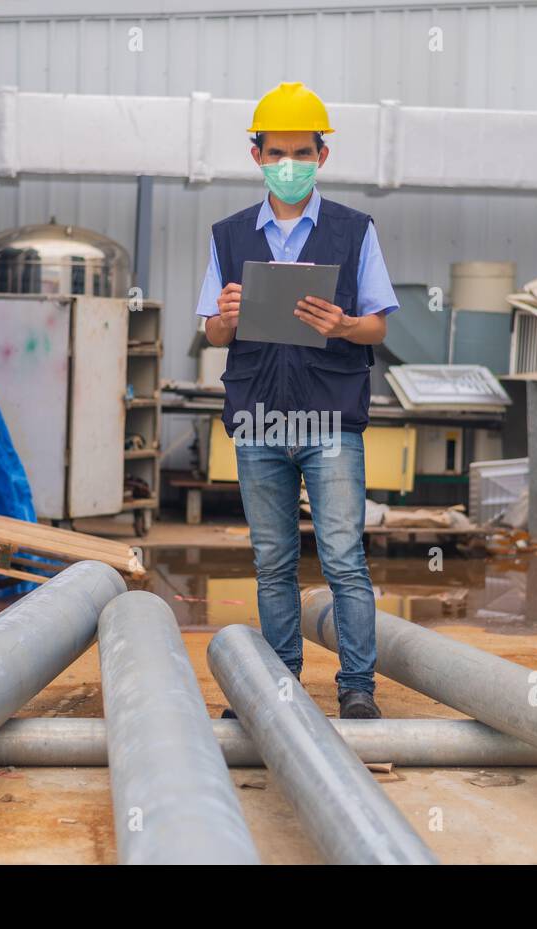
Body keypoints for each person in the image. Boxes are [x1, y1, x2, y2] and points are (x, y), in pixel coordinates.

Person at [196, 81, 399, 718]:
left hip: (330, 418)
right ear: (255, 155)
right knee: (272, 560)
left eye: (301, 153)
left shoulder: (353, 231)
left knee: (343, 558)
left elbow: (378, 326)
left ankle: (357, 689)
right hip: (258, 418)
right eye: (276, 153)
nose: (289, 165)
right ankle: (281, 685)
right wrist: (226, 316)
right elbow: (213, 331)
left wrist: (342, 325)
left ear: (322, 156)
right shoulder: (229, 236)